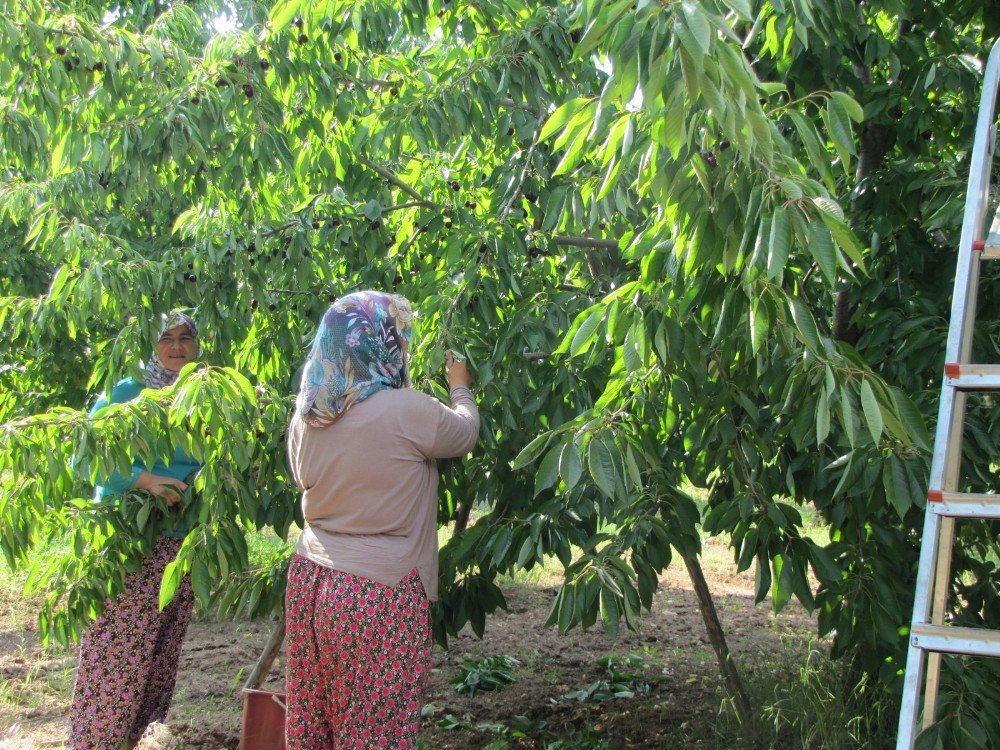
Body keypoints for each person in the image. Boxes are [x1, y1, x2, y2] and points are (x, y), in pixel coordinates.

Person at [284, 290, 479, 749]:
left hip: (310, 580)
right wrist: (459, 384)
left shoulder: (307, 412)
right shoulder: (408, 410)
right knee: (375, 732)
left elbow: (303, 478)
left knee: (314, 723)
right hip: (378, 593)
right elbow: (466, 431)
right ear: (382, 343)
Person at [69, 312, 202, 750]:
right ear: (150, 343)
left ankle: (132, 741)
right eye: (166, 338)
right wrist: (146, 482)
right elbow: (86, 459)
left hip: (179, 543)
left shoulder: (203, 395)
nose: (177, 347)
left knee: (160, 656)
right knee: (116, 655)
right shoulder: (127, 391)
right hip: (126, 542)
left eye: (186, 338)